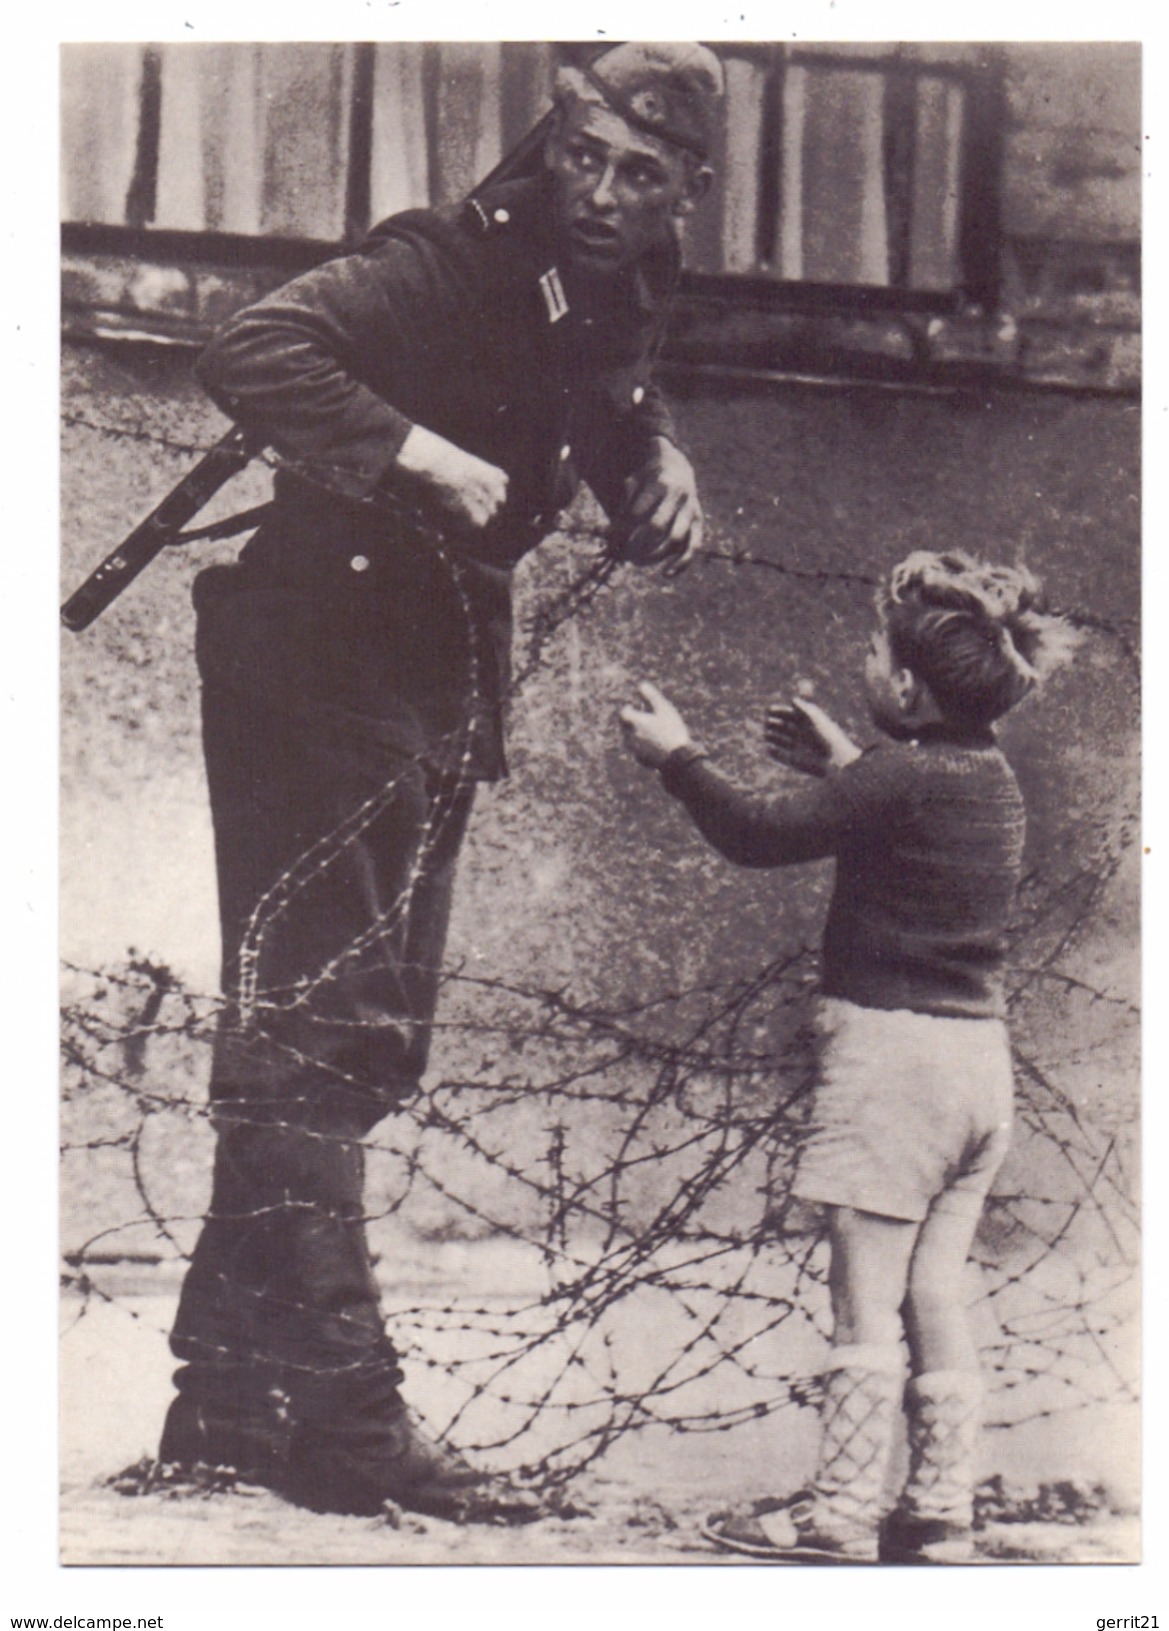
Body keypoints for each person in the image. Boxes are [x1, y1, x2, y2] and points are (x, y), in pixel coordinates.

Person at [159, 42, 725, 1520]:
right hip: (321, 660)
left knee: (350, 1032)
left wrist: (653, 460)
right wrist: (415, 453)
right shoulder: (445, 256)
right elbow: (252, 347)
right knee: (319, 1032)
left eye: (641, 175)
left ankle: (224, 1394)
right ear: (559, 129)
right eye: (585, 152)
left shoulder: (621, 278)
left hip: (428, 672)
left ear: (690, 191)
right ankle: (348, 1426)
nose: (600, 193)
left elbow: (603, 386)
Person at [618, 549, 1079, 1563]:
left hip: (890, 1065)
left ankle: (835, 1515)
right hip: (975, 1068)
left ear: (905, 687)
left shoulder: (897, 772)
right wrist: (844, 766)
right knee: (933, 1292)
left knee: (860, 1298)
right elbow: (902, 819)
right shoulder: (983, 774)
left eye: (874, 655)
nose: (864, 665)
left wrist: (676, 757)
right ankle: (938, 1511)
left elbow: (751, 831)